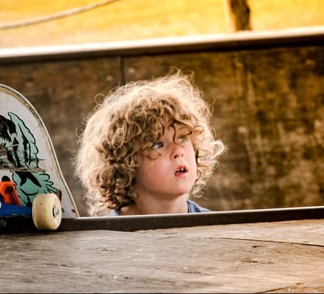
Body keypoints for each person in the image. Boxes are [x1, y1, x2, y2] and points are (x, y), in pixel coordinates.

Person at [74, 70, 225, 216]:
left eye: (182, 138)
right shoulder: (106, 237)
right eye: (158, 144)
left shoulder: (217, 230)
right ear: (126, 163)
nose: (178, 151)